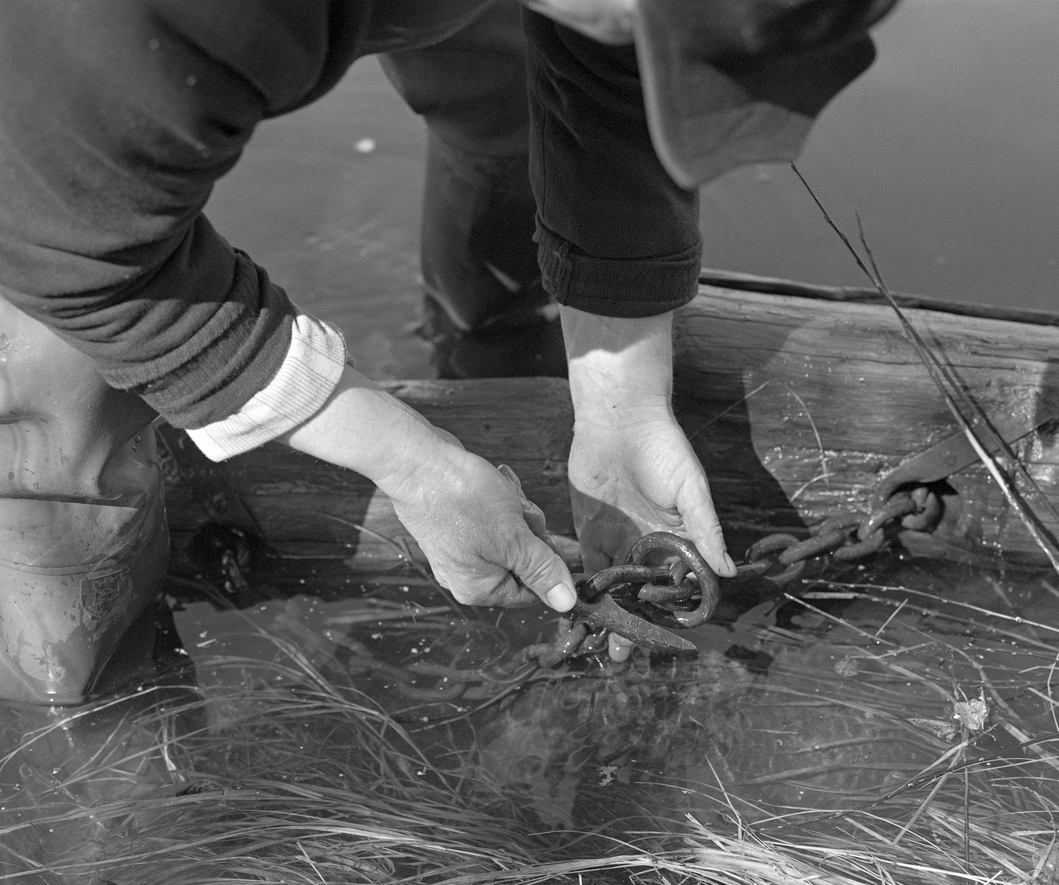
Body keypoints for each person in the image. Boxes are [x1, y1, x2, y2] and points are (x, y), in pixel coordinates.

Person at [0, 0, 899, 704]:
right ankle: (74, 725)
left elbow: (620, 85)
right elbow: (75, 256)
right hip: (39, 122)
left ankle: (494, 344)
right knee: (53, 392)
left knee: (513, 104)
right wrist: (412, 462)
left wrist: (622, 393)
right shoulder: (152, 19)